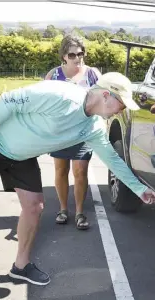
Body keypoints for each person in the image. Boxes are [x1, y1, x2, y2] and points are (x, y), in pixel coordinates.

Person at [0, 72, 155, 286]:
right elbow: (9, 100)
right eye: (121, 104)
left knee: (35, 206)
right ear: (106, 96)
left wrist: (139, 189)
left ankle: (21, 266)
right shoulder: (61, 95)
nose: (120, 110)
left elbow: (112, 159)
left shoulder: (93, 127)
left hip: (20, 155)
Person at [45, 34, 101, 230]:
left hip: (83, 131)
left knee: (80, 171)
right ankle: (62, 209)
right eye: (72, 54)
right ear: (64, 57)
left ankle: (79, 212)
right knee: (61, 170)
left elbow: (101, 98)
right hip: (60, 132)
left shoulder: (92, 74)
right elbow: (45, 102)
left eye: (81, 53)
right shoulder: (54, 75)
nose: (78, 57)